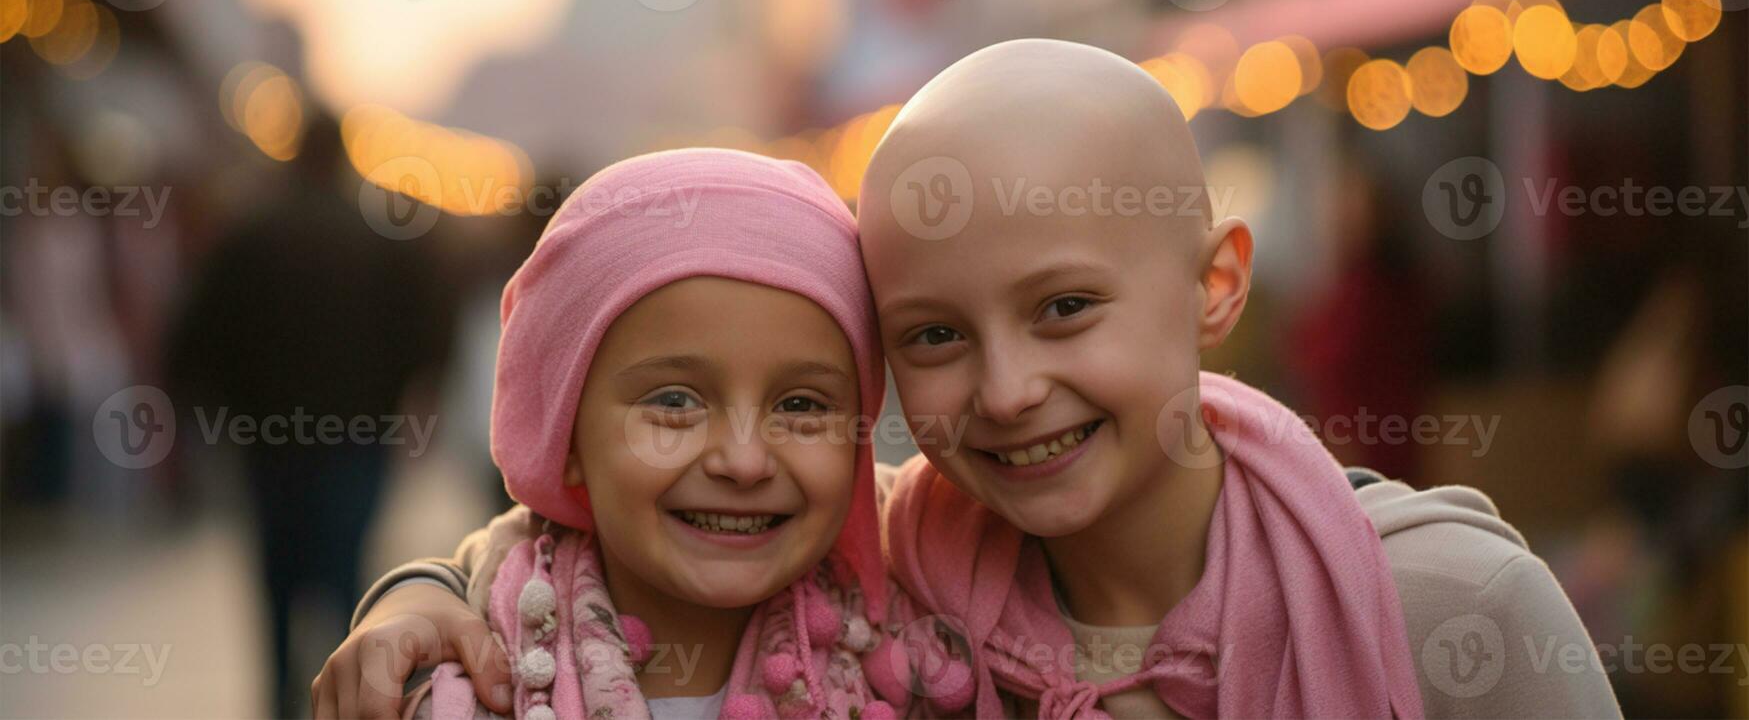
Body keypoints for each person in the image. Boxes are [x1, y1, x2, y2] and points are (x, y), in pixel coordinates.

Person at [325, 40, 1621, 718]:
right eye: (936, 336)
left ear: (1217, 282)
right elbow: (581, 553)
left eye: (1064, 309)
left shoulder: (1448, 605)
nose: (1005, 392)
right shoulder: (902, 597)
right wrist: (416, 596)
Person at [312, 149, 914, 719]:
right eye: (675, 401)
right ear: (565, 435)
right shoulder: (460, 685)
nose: (744, 460)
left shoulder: (932, 633)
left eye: (802, 405)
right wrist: (413, 593)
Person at [167, 112, 450, 720]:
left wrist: (217, 414)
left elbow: (197, 334)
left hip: (270, 440)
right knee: (348, 577)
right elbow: (429, 333)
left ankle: (278, 697)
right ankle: (349, 699)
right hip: (357, 436)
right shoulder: (381, 239)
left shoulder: (250, 233)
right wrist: (404, 400)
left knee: (276, 577)